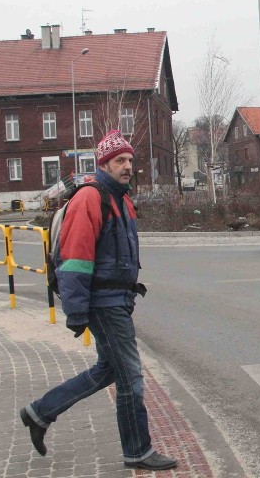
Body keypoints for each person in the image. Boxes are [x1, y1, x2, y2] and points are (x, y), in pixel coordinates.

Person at [20, 130, 177, 471]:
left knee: (108, 369)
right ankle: (138, 450)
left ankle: (40, 412)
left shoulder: (122, 200)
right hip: (102, 303)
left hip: (117, 300)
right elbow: (75, 259)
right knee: (131, 377)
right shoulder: (91, 198)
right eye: (120, 160)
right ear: (104, 163)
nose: (127, 166)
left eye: (130, 160)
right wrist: (76, 311)